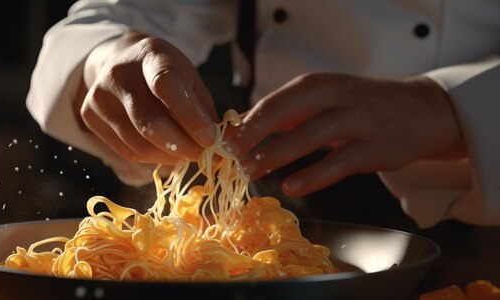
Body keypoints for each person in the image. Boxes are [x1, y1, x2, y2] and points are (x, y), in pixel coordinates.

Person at [26, 0, 500, 228]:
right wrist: (104, 57)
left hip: (482, 225)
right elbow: (118, 13)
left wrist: (446, 107)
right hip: (273, 220)